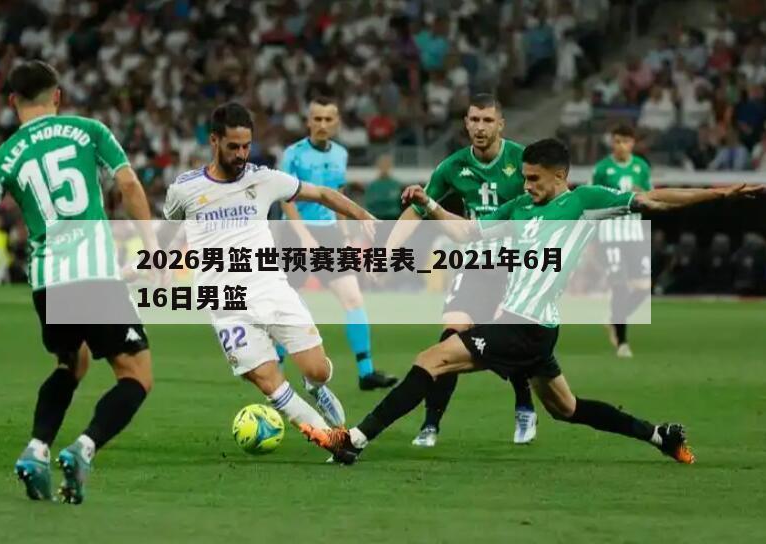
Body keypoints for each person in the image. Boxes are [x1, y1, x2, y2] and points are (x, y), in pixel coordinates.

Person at [301, 138, 763, 465]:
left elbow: (655, 200)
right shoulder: (519, 208)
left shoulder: (584, 202)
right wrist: (429, 205)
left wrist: (720, 193)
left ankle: (354, 439)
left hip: (525, 325)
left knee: (432, 359)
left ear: (561, 176)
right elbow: (468, 233)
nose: (527, 186)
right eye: (524, 178)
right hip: (532, 328)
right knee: (567, 408)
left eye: (535, 179)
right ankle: (661, 436)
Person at [0, 60, 156, 504]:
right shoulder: (89, 131)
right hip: (93, 275)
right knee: (137, 375)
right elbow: (128, 185)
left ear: (13, 101)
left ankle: (36, 449)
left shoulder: (3, 156)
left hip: (48, 283)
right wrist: (151, 246)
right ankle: (83, 448)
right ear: (58, 96)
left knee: (73, 362)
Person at [163, 102, 378, 432]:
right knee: (266, 377)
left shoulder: (263, 179)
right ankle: (328, 436)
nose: (241, 154)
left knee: (318, 370)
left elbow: (321, 193)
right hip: (224, 301)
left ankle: (316, 387)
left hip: (271, 288)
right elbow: (171, 229)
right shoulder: (184, 188)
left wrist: (361, 214)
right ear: (214, 141)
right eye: (233, 147)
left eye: (246, 146)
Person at [385, 93, 534, 448]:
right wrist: (388, 249)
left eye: (487, 120)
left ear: (501, 124)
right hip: (475, 263)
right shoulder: (452, 166)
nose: (480, 127)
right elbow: (418, 209)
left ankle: (525, 404)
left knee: (511, 341)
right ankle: (431, 423)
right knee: (451, 336)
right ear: (466, 123)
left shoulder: (521, 160)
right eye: (474, 120)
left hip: (515, 266)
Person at [279, 96, 396, 391]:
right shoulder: (293, 154)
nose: (322, 124)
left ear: (337, 122)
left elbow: (338, 197)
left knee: (353, 298)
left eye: (328, 119)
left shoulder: (340, 154)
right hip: (295, 234)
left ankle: (366, 373)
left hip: (330, 233)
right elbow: (286, 199)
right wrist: (303, 237)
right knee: (286, 306)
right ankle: (275, 372)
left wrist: (344, 235)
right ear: (308, 122)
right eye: (317, 118)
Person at [591, 124, 652, 358]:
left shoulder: (641, 167)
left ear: (632, 143)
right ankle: (623, 343)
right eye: (617, 141)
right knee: (620, 286)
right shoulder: (602, 169)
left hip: (634, 233)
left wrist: (642, 194)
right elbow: (593, 200)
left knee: (644, 288)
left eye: (625, 141)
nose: (621, 146)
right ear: (612, 143)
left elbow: (649, 195)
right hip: (610, 234)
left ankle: (614, 318)